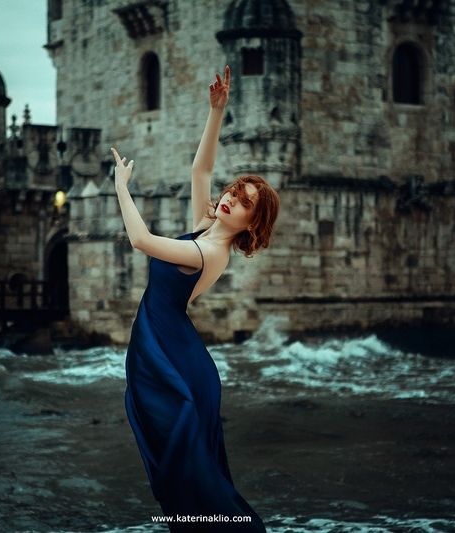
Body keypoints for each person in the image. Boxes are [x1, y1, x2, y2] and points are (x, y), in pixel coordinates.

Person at [114, 64, 279, 532]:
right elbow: (200, 169)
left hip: (174, 359)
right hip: (171, 347)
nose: (229, 199)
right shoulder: (208, 229)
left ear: (252, 223)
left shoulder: (208, 250)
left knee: (188, 475)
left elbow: (142, 241)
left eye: (243, 202)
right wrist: (217, 111)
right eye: (233, 191)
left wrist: (121, 189)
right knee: (184, 473)